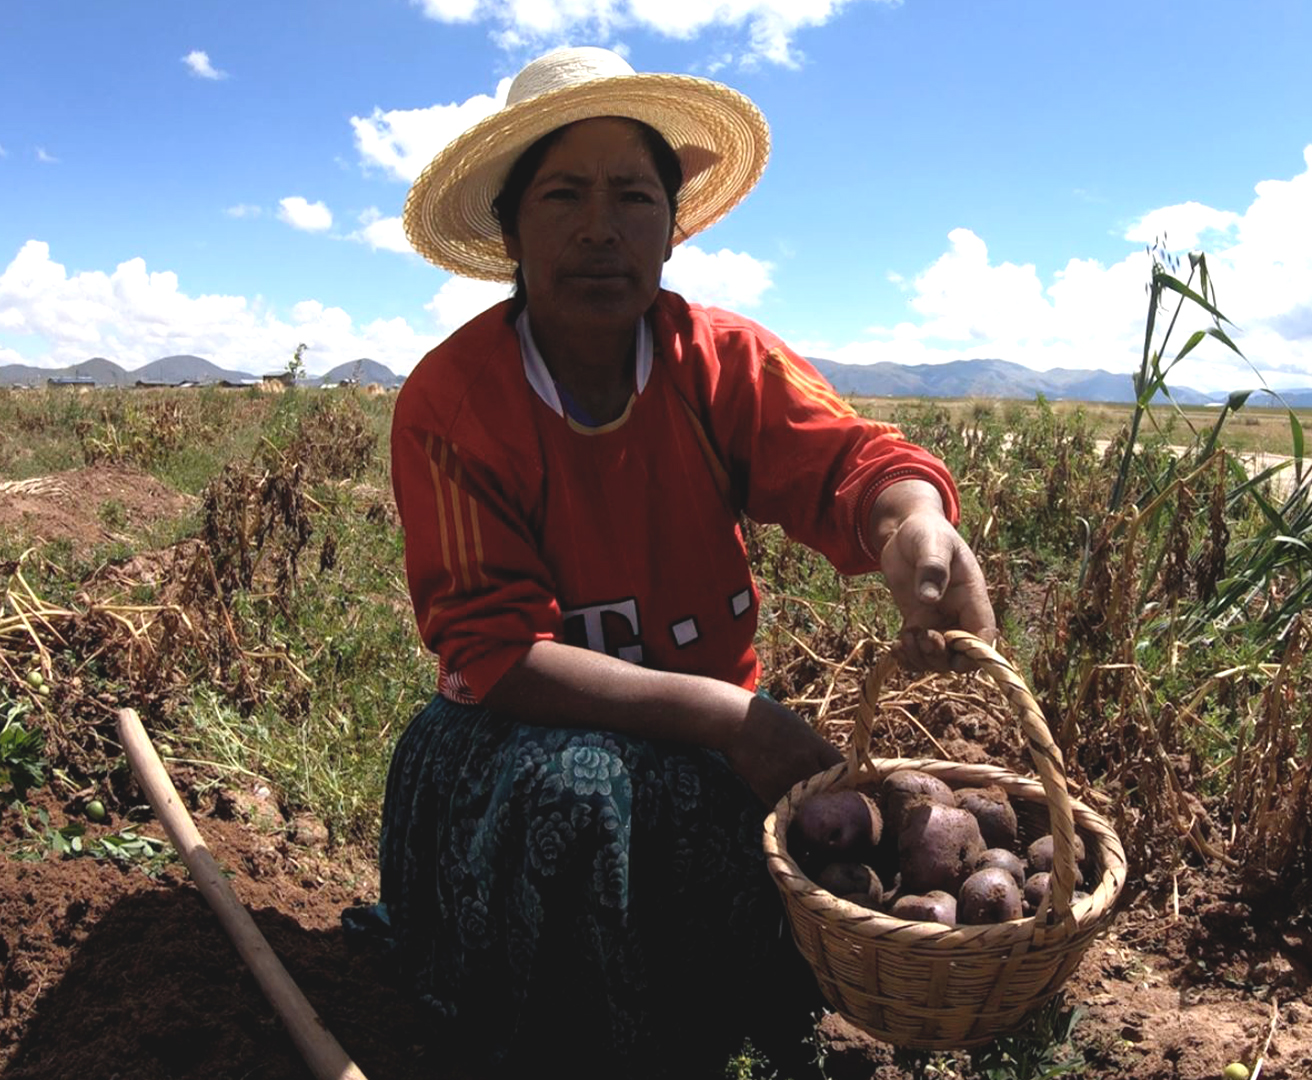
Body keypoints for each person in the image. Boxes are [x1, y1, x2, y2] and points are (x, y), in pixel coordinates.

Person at [366, 45, 996, 1076]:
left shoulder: (717, 361)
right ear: (512, 227)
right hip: (515, 747)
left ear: (673, 223)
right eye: (564, 193)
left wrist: (914, 520)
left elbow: (849, 462)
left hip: (703, 746)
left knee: (820, 860)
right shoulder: (455, 400)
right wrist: (733, 720)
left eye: (634, 195)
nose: (600, 226)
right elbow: (496, 650)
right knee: (580, 795)